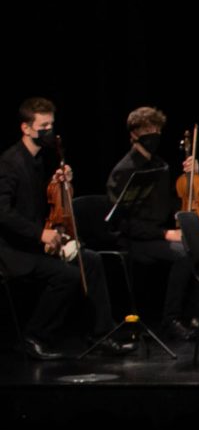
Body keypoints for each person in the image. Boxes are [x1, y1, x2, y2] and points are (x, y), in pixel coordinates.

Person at [2, 97, 118, 358]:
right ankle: (33, 336)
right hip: (14, 251)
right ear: (26, 128)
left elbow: (39, 203)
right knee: (67, 275)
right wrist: (40, 233)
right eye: (43, 126)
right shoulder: (10, 162)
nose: (49, 131)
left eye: (51, 125)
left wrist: (57, 184)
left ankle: (101, 334)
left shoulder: (38, 161)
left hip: (36, 243)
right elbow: (3, 212)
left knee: (91, 260)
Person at [105, 105, 199, 337]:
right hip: (134, 240)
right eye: (147, 129)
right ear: (133, 134)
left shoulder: (160, 165)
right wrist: (164, 234)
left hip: (158, 235)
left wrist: (193, 175)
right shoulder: (123, 171)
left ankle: (195, 317)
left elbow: (172, 202)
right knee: (183, 253)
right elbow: (122, 223)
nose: (154, 134)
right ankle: (170, 320)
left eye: (157, 129)